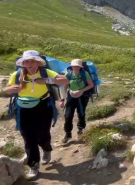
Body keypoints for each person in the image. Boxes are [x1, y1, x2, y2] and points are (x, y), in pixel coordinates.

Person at [4, 50, 69, 180]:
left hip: (43, 106)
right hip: (22, 108)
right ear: (23, 63)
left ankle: (46, 149)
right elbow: (7, 89)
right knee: (28, 137)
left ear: (38, 62)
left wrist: (47, 80)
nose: (29, 63)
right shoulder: (17, 75)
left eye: (32, 61)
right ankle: (33, 164)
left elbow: (65, 81)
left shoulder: (45, 72)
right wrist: (13, 89)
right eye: (26, 61)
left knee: (42, 134)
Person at [60, 59, 94, 143]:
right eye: (74, 66)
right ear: (71, 66)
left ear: (80, 67)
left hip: (82, 97)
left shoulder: (84, 73)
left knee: (81, 114)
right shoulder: (68, 74)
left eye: (77, 66)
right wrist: (63, 99)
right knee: (68, 115)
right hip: (71, 96)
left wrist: (82, 90)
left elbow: (91, 85)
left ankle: (80, 130)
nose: (75, 67)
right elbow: (65, 86)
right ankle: (68, 134)